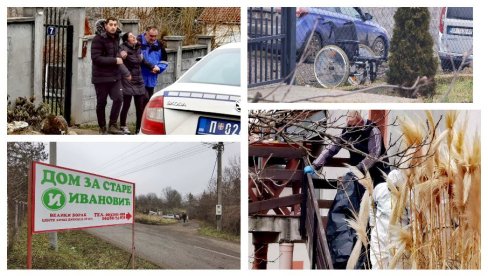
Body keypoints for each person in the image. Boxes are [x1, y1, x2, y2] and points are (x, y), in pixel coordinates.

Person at [304, 110, 390, 186]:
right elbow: (331, 148)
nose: (350, 129)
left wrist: (357, 169)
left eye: (352, 125)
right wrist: (315, 165)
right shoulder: (347, 130)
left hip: (377, 172)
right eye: (348, 125)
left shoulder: (373, 130)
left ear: (360, 122)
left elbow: (373, 155)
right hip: (357, 174)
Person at [369, 169, 410, 269]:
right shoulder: (379, 188)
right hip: (379, 235)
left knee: (398, 266)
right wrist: (373, 224)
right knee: (378, 265)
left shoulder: (408, 194)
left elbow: (412, 218)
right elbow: (371, 204)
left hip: (398, 236)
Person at [91, 17, 125, 134]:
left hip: (115, 76)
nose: (113, 27)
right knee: (102, 103)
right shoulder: (98, 39)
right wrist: (115, 60)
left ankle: (113, 125)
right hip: (101, 77)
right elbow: (96, 58)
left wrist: (121, 54)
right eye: (111, 24)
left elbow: (115, 52)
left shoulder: (116, 38)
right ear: (105, 26)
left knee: (119, 98)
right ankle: (102, 127)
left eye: (115, 25)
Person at [118, 32, 155, 134]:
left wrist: (152, 67)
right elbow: (120, 56)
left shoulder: (138, 48)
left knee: (140, 106)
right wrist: (122, 55)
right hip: (128, 80)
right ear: (126, 40)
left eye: (133, 35)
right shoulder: (123, 48)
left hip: (139, 80)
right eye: (131, 36)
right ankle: (123, 126)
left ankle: (139, 128)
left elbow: (143, 61)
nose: (134, 37)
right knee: (126, 104)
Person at [137, 26, 168, 108]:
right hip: (139, 78)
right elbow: (138, 59)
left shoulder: (159, 45)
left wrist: (158, 69)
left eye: (155, 36)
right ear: (146, 33)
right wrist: (151, 67)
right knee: (140, 104)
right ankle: (140, 121)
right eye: (151, 36)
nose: (153, 38)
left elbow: (164, 61)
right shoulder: (138, 42)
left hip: (152, 79)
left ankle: (143, 121)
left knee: (147, 103)